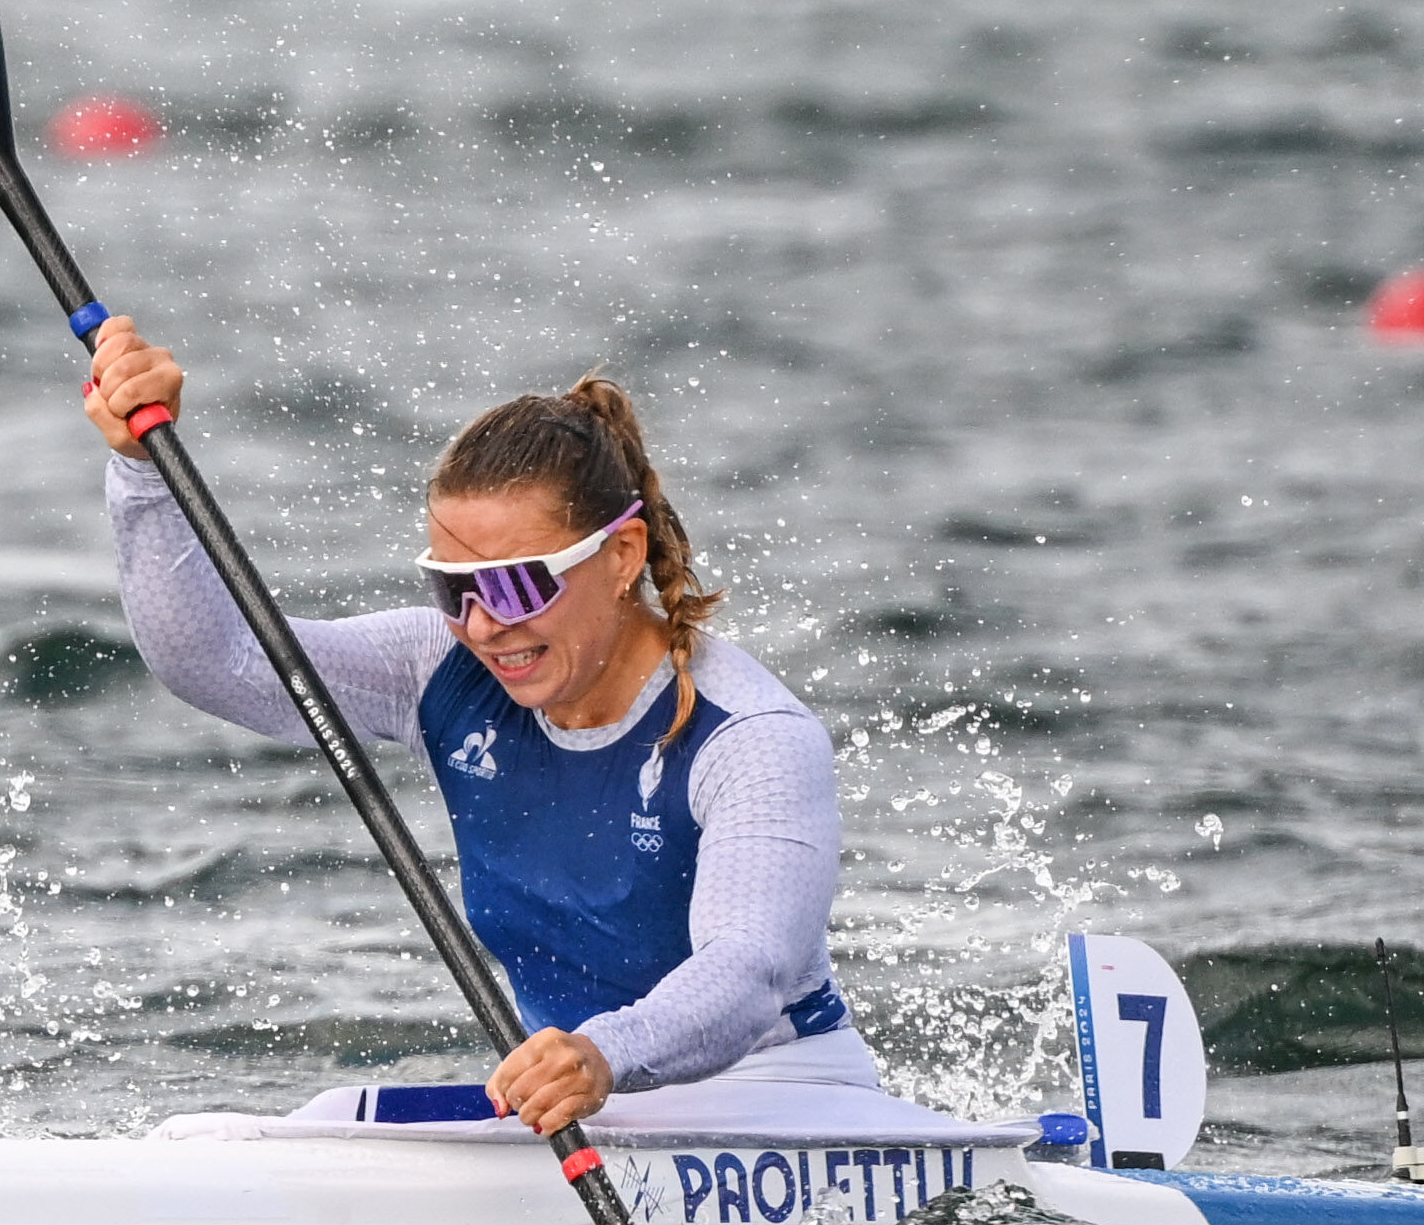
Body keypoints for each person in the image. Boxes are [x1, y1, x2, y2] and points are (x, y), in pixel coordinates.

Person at [80, 318, 890, 1137]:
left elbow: (748, 972)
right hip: (577, 1105)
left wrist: (603, 1052)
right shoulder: (440, 667)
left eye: (514, 587)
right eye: (453, 590)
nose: (483, 627)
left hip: (782, 1098)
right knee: (251, 1129)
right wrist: (141, 471)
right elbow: (216, 661)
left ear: (621, 555)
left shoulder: (750, 737)